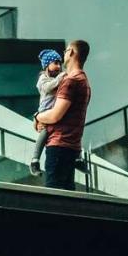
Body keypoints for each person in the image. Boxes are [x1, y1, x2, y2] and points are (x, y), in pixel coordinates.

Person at [33, 39, 92, 191]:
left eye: (65, 51)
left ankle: (34, 160)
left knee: (55, 198)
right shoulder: (84, 81)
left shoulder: (71, 81)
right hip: (71, 147)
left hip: (59, 145)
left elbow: (54, 116)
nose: (64, 54)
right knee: (67, 198)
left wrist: (38, 117)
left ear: (71, 52)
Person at [29, 48, 66, 177]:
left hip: (54, 111)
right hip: (45, 111)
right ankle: (34, 161)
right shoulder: (43, 79)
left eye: (60, 63)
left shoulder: (58, 78)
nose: (59, 66)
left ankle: (77, 157)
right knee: (44, 133)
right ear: (46, 65)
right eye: (55, 63)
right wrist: (61, 77)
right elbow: (49, 87)